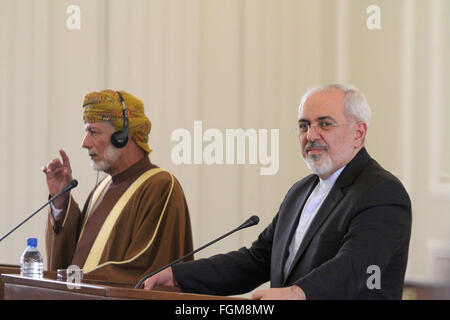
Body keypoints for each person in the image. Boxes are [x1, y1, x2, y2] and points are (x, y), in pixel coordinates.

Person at [143, 84, 412, 299]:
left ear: (358, 133)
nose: (311, 135)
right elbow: (257, 260)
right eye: (304, 125)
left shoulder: (381, 191)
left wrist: (297, 294)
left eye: (325, 124)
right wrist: (179, 276)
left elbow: (357, 268)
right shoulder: (300, 191)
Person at [42, 89, 193, 283]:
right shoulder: (101, 188)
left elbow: (144, 269)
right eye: (86, 132)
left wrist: (78, 283)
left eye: (93, 132)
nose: (85, 143)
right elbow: (72, 262)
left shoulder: (160, 186)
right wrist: (61, 201)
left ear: (122, 136)